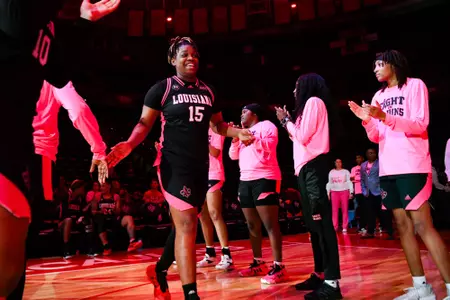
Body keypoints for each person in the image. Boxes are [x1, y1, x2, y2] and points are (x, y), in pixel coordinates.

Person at [106, 36, 253, 300]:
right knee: (187, 224)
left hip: (201, 166)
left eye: (195, 54)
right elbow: (143, 123)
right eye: (184, 55)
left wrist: (236, 132)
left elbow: (217, 126)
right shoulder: (162, 89)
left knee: (183, 226)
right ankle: (191, 294)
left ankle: (160, 270)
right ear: (173, 60)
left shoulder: (209, 91)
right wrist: (129, 144)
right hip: (173, 164)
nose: (191, 59)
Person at [0, 1, 120, 297]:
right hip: (33, 155)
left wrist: (82, 23)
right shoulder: (33, 32)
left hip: (21, 148)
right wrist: (99, 148)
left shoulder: (42, 35)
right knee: (19, 234)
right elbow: (78, 110)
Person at [349, 49, 450, 300]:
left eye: (379, 64)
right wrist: (367, 120)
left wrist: (384, 116)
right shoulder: (378, 95)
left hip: (412, 164)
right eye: (374, 66)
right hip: (389, 168)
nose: (375, 69)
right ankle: (421, 288)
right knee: (403, 227)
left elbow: (419, 124)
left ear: (394, 64)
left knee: (423, 225)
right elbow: (376, 136)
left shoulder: (415, 86)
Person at [276, 73, 342, 299]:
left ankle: (333, 284)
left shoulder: (314, 102)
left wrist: (285, 121)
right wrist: (288, 122)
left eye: (297, 87)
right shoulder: (305, 109)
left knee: (322, 224)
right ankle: (321, 273)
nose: (294, 92)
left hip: (314, 167)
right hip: (305, 169)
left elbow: (302, 137)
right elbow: (298, 137)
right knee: (314, 228)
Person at [228, 103, 286, 284]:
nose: (241, 115)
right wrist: (236, 138)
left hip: (265, 177)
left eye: (244, 112)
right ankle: (258, 262)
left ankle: (279, 266)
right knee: (252, 226)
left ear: (254, 113)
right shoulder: (241, 132)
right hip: (245, 180)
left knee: (270, 224)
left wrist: (249, 137)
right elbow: (233, 156)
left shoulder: (267, 126)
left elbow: (270, 146)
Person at [197, 128, 233, 270]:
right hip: (199, 175)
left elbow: (215, 152)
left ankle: (226, 255)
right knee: (203, 215)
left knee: (215, 214)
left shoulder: (216, 130)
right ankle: (210, 254)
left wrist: (201, 139)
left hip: (214, 174)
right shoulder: (197, 129)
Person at [360, 148, 393, 239]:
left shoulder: (380, 164)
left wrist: (382, 189)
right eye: (369, 153)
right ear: (366, 154)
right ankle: (370, 232)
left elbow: (384, 177)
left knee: (384, 212)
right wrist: (364, 190)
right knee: (370, 213)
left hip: (379, 192)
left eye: (373, 153)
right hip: (368, 193)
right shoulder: (363, 165)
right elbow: (362, 179)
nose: (371, 154)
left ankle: (390, 232)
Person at [326, 158, 353, 233]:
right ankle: (335, 226)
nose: (338, 163)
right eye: (336, 162)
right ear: (335, 163)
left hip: (344, 191)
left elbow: (349, 181)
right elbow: (329, 183)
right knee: (334, 210)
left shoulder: (346, 171)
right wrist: (328, 193)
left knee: (345, 210)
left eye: (339, 162)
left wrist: (351, 192)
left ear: (341, 163)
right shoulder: (331, 172)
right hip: (334, 192)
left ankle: (344, 227)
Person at [350, 154, 365, 233]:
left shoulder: (366, 166)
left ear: (362, 158)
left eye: (359, 158)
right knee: (358, 210)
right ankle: (360, 227)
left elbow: (367, 178)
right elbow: (351, 179)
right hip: (357, 191)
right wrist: (361, 178)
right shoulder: (353, 168)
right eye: (357, 158)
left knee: (367, 209)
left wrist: (357, 178)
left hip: (366, 191)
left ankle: (368, 226)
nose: (358, 159)